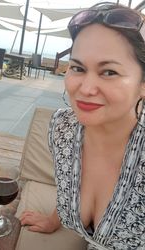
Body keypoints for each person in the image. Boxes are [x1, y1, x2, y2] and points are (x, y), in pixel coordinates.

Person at [20, 2, 145, 249]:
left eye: (108, 72)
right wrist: (53, 220)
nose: (85, 89)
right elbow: (68, 182)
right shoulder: (62, 127)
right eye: (78, 67)